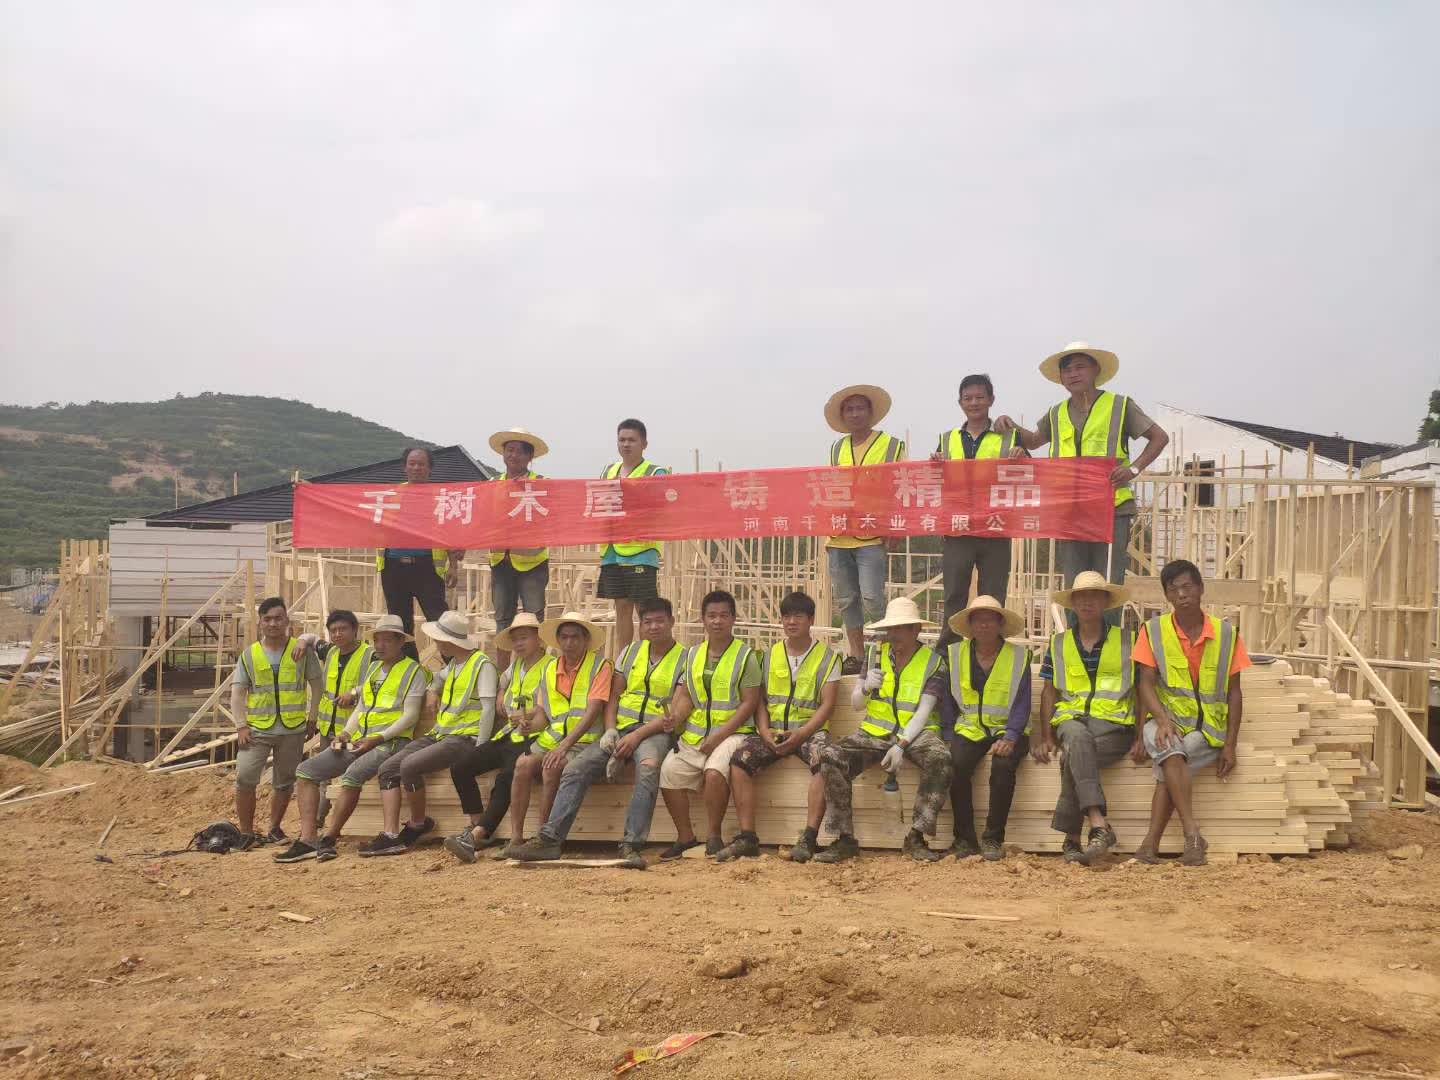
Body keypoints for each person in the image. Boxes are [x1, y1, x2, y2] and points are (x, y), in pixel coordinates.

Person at [995, 343, 1169, 620]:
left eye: (1080, 367)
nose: (1073, 374)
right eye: (1067, 370)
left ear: (1096, 370)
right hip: (1070, 511)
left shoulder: (1119, 405)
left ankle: (1108, 639)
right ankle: (1076, 641)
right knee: (1075, 584)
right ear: (1061, 378)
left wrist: (1133, 469)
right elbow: (1034, 441)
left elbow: (1159, 437)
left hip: (1111, 508)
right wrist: (1011, 425)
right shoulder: (1056, 413)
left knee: (1108, 582)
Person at [509, 597, 686, 868]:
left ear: (671, 622)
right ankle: (550, 839)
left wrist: (636, 737)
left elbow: (674, 711)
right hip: (620, 728)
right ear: (640, 625)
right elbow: (614, 695)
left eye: (659, 621)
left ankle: (631, 844)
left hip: (654, 731)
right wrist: (612, 728)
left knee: (648, 768)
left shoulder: (686, 657)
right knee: (575, 769)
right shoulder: (630, 652)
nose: (653, 627)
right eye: (647, 622)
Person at [815, 597, 952, 863]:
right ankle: (844, 839)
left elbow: (924, 711)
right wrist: (865, 687)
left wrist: (901, 745)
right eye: (891, 628)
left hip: (916, 733)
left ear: (916, 630)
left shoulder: (934, 663)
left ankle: (917, 837)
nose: (894, 634)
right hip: (874, 731)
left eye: (901, 628)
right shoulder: (874, 656)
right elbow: (857, 704)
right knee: (831, 756)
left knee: (941, 758)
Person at [1132, 560, 1251, 866]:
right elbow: (1145, 683)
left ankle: (1149, 845)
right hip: (1163, 720)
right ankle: (1192, 833)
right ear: (1167, 596)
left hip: (1207, 729)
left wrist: (1230, 745)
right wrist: (1161, 720)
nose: (1182, 594)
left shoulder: (1227, 634)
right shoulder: (1153, 631)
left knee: (1170, 767)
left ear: (1200, 588)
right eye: (1174, 589)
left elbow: (1235, 692)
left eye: (1187, 587)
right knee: (1171, 749)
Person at [281, 615, 428, 862]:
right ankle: (308, 839)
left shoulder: (414, 671)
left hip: (390, 742)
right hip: (361, 739)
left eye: (386, 640)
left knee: (352, 775)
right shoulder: (374, 669)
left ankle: (329, 838)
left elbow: (410, 716)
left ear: (400, 642)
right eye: (377, 640)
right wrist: (346, 733)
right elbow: (362, 707)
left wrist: (378, 737)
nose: (380, 645)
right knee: (305, 771)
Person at [361, 611, 498, 858]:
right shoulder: (454, 664)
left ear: (450, 641)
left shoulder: (482, 665)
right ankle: (391, 834)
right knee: (388, 768)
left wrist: (482, 748)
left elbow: (488, 709)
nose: (436, 643)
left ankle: (417, 824)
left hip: (464, 738)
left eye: (438, 639)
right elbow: (436, 678)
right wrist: (433, 690)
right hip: (441, 733)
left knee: (409, 766)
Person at [719, 591, 841, 863]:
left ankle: (808, 838)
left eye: (798, 616)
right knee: (740, 760)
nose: (791, 622)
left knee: (825, 760)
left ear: (811, 619)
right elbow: (760, 700)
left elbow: (827, 705)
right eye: (786, 616)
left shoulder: (828, 657)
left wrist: (802, 734)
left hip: (809, 732)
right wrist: (764, 731)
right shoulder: (768, 655)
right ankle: (747, 837)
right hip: (774, 731)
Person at [1032, 571, 1139, 865]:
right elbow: (1049, 692)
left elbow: (1142, 688)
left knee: (1073, 755)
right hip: (1071, 721)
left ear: (1105, 602)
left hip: (1115, 727)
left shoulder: (1129, 641)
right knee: (1077, 738)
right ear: (1073, 604)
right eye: (1080, 597)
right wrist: (1046, 736)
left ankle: (1071, 839)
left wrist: (1141, 735)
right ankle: (1098, 823)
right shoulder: (1058, 643)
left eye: (1094, 596)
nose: (1087, 602)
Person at [657, 590, 762, 859]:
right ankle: (686, 837)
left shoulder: (746, 656)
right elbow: (687, 695)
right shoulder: (693, 654)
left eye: (724, 615)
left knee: (714, 772)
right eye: (712, 616)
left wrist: (718, 737)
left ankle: (714, 836)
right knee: (668, 772)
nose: (717, 621)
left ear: (733, 619)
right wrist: (676, 717)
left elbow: (749, 703)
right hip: (695, 735)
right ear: (703, 619)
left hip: (733, 733)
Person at [443, 612, 553, 863]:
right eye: (515, 639)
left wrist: (526, 716)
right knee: (461, 767)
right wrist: (502, 693)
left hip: (533, 734)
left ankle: (478, 835)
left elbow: (549, 707)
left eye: (524, 638)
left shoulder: (550, 666)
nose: (518, 644)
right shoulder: (516, 666)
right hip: (509, 734)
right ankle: (475, 826)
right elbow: (504, 681)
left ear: (539, 639)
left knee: (506, 777)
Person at [501, 612, 612, 857]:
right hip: (553, 738)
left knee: (552, 767)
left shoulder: (600, 666)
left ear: (586, 640)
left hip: (586, 740)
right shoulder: (550, 668)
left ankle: (543, 838)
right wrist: (530, 726)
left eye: (575, 637)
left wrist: (563, 747)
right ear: (558, 640)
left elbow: (593, 711)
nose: (569, 642)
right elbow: (544, 714)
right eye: (564, 637)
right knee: (521, 765)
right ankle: (516, 838)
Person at [824, 384, 906, 675]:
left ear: (871, 413)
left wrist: (897, 526)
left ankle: (887, 651)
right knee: (847, 599)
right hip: (840, 534)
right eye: (850, 409)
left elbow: (901, 486)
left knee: (872, 597)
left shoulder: (892, 445)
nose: (855, 414)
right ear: (843, 415)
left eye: (860, 408)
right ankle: (856, 654)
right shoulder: (837, 448)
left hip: (872, 532)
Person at [942, 595, 1031, 861]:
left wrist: (1011, 736)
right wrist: (948, 735)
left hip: (1008, 729)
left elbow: (1023, 702)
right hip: (969, 728)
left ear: (1000, 624)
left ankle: (993, 838)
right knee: (955, 766)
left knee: (1003, 766)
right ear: (970, 625)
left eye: (990, 619)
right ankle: (965, 839)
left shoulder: (1018, 656)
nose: (984, 625)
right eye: (978, 620)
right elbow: (947, 700)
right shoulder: (955, 655)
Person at [230, 597, 323, 849]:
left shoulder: (301, 651)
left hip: (292, 729)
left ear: (286, 621)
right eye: (268, 619)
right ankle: (246, 832)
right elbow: (237, 693)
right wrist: (241, 725)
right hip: (257, 730)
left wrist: (313, 716)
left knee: (284, 781)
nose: (273, 623)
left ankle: (274, 828)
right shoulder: (250, 655)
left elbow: (317, 685)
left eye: (278, 618)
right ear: (260, 622)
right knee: (245, 778)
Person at [932, 375, 1017, 647]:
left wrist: (1021, 458)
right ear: (960, 403)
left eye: (980, 397)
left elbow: (1028, 475)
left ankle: (989, 650)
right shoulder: (947, 440)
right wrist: (935, 463)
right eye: (968, 398)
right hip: (958, 529)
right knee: (954, 593)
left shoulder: (1008, 436)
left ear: (991, 400)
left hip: (995, 528)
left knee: (992, 596)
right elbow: (935, 481)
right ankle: (948, 650)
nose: (974, 403)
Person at [375, 446, 465, 659]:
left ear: (430, 469)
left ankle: (456, 666)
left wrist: (453, 566)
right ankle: (410, 668)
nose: (416, 468)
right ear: (405, 467)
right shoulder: (390, 496)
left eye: (421, 464)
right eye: (412, 463)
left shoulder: (440, 497)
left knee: (440, 620)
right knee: (400, 625)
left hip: (427, 567)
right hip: (393, 568)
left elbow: (450, 532)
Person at [598, 419, 671, 651]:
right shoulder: (608, 471)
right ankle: (624, 658)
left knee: (645, 611)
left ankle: (647, 658)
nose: (626, 444)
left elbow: (659, 507)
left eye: (632, 440)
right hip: (612, 550)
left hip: (641, 551)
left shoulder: (655, 472)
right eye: (622, 440)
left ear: (644, 444)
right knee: (621, 607)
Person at [487, 427, 551, 668]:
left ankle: (536, 672)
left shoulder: (542, 485)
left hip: (532, 563)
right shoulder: (492, 485)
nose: (513, 455)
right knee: (503, 620)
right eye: (509, 450)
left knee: (534, 619)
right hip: (500, 561)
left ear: (529, 457)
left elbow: (554, 518)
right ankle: (504, 675)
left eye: (519, 451)